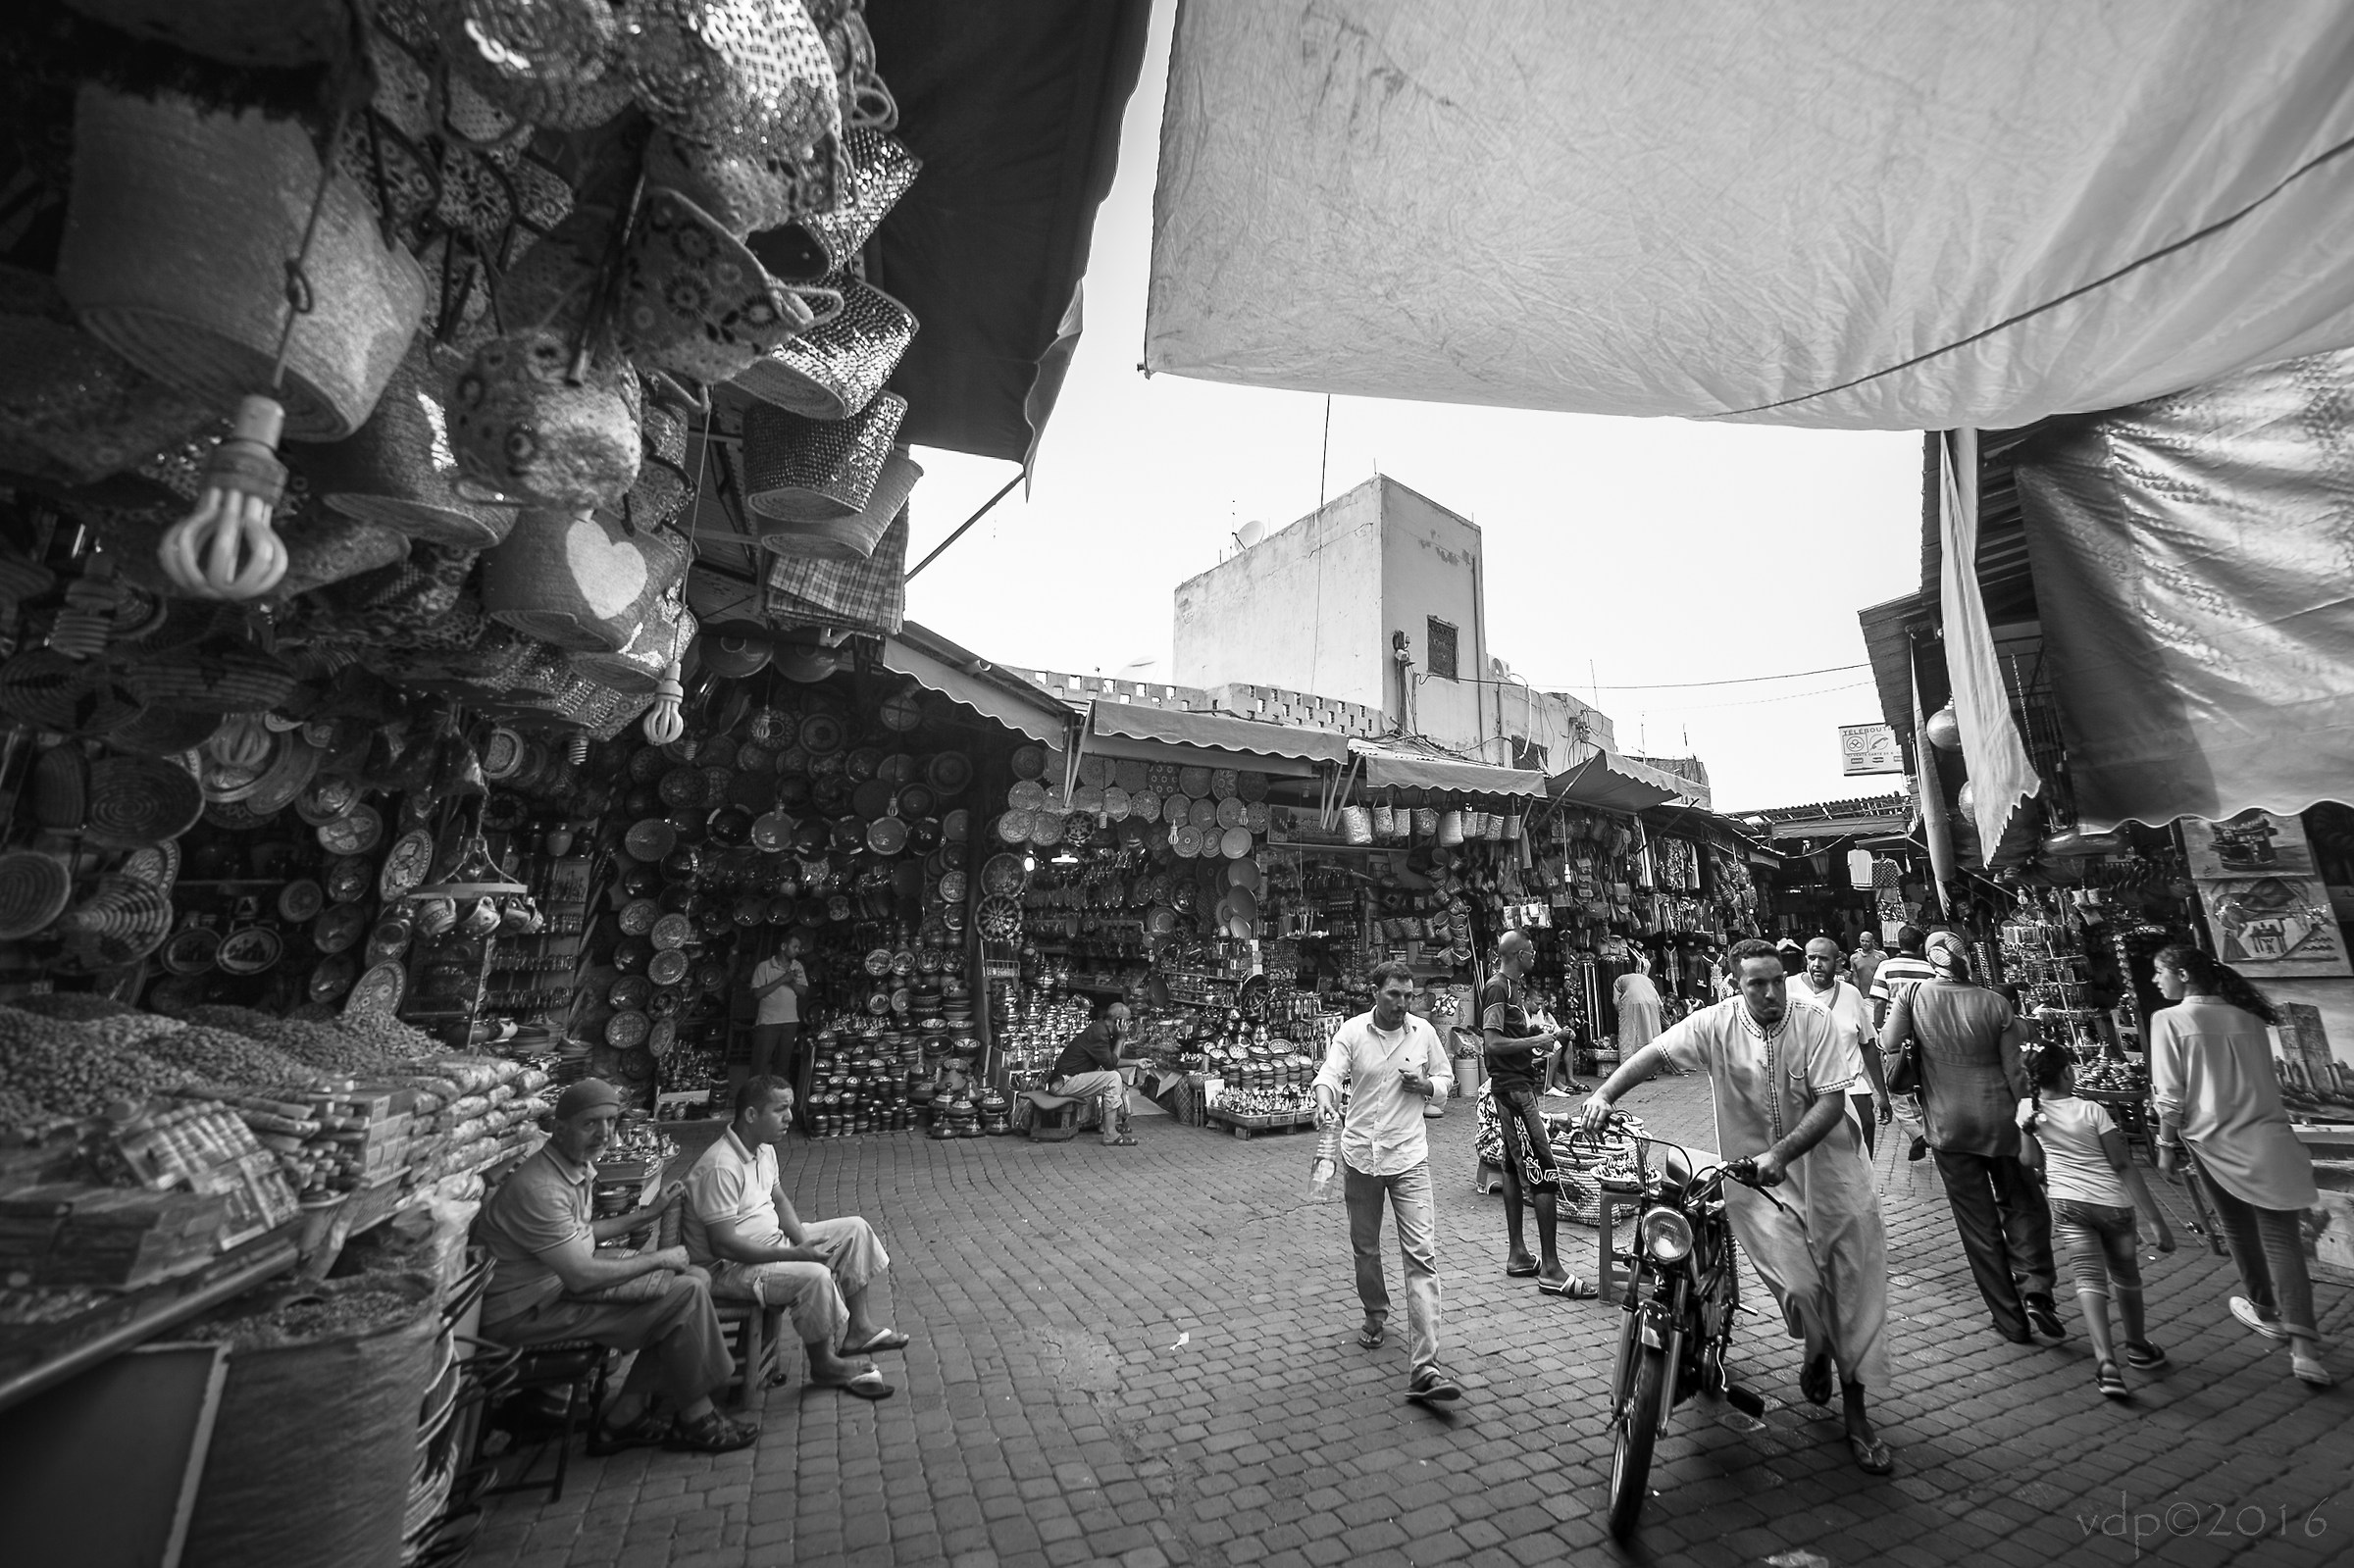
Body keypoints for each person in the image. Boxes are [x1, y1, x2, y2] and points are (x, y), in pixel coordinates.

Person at [1579, 938, 1894, 1474]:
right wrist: (1604, 1094)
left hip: (1834, 1174)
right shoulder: (1714, 1024)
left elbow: (1832, 1103)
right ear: (1735, 984)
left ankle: (1858, 1414)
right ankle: (1817, 1347)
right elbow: (1654, 1053)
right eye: (1756, 984)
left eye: (1777, 980)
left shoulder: (1814, 1020)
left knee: (1852, 1289)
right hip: (1757, 1180)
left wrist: (1782, 1153)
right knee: (1799, 1286)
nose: (1771, 993)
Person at [474, 1079, 757, 1454]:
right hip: (526, 1314)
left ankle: (628, 1413)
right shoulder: (541, 1189)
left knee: (693, 1280)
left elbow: (583, 1234)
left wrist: (646, 1216)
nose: (605, 1133)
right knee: (685, 1292)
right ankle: (695, 1415)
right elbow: (581, 1274)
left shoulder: (569, 1167)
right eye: (590, 1123)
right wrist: (657, 1258)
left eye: (611, 1121)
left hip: (555, 1294)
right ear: (560, 1129)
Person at [2149, 945, 2332, 1387]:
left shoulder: (2169, 1020)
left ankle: (2264, 1309)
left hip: (2212, 1141)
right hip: (2269, 1139)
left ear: (2183, 974)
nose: (2156, 981)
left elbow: (2171, 1096)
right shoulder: (2249, 1019)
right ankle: (2305, 1349)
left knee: (2237, 1229)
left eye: (2159, 972)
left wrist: (2164, 1143)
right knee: (2281, 1240)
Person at [1881, 932, 2063, 1346]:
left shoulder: (1913, 994)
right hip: (2001, 1121)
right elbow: (2017, 1073)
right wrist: (2029, 1123)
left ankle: (2010, 1320)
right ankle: (2036, 1286)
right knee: (2025, 1203)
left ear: (1931, 959)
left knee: (1977, 1226)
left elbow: (1889, 1042)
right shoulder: (1996, 1003)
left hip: (1948, 1126)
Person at [683, 1075, 903, 1400]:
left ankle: (859, 1329)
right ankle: (824, 1364)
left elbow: (780, 1201)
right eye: (780, 1110)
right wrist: (800, 1257)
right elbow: (724, 1244)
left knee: (854, 1229)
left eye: (789, 1108)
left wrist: (802, 1244)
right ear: (751, 1115)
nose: (789, 1118)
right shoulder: (721, 1166)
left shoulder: (763, 1149)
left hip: (771, 1244)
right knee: (814, 1275)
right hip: (729, 1268)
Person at [1313, 960, 1462, 1404]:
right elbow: (1329, 1076)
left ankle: (1425, 1367)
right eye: (1394, 995)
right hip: (1360, 1156)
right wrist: (1325, 1105)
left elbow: (1446, 1079)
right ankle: (1375, 1314)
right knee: (1366, 1247)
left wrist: (1427, 1086)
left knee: (1421, 1256)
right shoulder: (1353, 1032)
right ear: (1374, 993)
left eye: (1408, 995)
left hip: (1409, 1158)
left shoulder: (1424, 1034)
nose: (1403, 1004)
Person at [2017, 1044, 2170, 1399]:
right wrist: (2156, 1221)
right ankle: (2136, 1346)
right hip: (2111, 1206)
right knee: (2126, 1278)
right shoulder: (2092, 1110)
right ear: (2068, 1073)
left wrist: (2035, 1139)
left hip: (2067, 1205)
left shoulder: (2028, 1110)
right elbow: (2122, 1165)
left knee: (2088, 1280)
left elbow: (2027, 1159)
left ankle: (2106, 1362)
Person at [1481, 932, 1593, 1297]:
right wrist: (1535, 1042)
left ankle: (1518, 1254)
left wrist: (1545, 1034)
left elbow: (1510, 1032)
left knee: (1513, 1165)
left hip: (1515, 1084)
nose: (1534, 957)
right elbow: (1492, 1042)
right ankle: (1551, 1268)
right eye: (1530, 952)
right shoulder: (1498, 988)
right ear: (1517, 954)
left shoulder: (1512, 988)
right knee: (1543, 1167)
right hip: (1513, 1089)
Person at [1788, 936, 1892, 1157]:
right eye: (1811, 958)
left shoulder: (1851, 994)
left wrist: (1882, 1095)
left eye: (1823, 959)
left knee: (1861, 1159)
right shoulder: (1789, 990)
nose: (1816, 964)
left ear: (1837, 962)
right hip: (1806, 1094)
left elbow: (1868, 1045)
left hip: (1852, 1091)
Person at [1869, 925, 1938, 1161]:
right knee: (1928, 1085)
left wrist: (1878, 1030)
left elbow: (1879, 1002)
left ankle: (1917, 1133)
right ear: (1921, 946)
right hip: (1926, 1036)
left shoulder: (1886, 967)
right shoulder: (1930, 969)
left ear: (1899, 944)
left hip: (1896, 1038)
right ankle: (1935, 1130)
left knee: (1899, 1088)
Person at [1049, 998, 1140, 1146]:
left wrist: (1136, 1062)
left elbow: (1110, 1060)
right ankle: (1110, 1134)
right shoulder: (1099, 1033)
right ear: (1119, 1021)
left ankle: (1107, 1125)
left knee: (1114, 1079)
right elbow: (1110, 1065)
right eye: (1127, 1022)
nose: (1129, 1026)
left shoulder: (1103, 1030)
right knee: (1113, 1078)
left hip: (1070, 1079)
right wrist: (1121, 1038)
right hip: (1063, 1083)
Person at [743, 936, 807, 1088]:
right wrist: (782, 979)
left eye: (799, 947)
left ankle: (777, 1099)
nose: (797, 950)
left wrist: (791, 981)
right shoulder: (764, 967)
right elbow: (757, 994)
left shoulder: (797, 967)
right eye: (795, 946)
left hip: (790, 1022)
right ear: (784, 946)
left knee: (782, 1067)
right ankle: (753, 1096)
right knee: (759, 1065)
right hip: (768, 1022)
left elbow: (803, 991)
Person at [1612, 954, 1664, 1053]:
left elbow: (1616, 1001)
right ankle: (1651, 1059)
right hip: (1651, 1003)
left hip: (1630, 1002)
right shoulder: (1649, 981)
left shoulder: (1622, 978)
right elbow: (1659, 1003)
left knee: (1629, 1032)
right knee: (1650, 1031)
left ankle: (1629, 1062)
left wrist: (1622, 1012)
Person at [1849, 931, 1885, 995]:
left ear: (1872, 941)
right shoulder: (1854, 958)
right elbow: (1855, 976)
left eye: (1867, 941)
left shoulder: (1881, 957)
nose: (1864, 943)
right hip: (1862, 994)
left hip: (1878, 994)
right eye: (1862, 941)